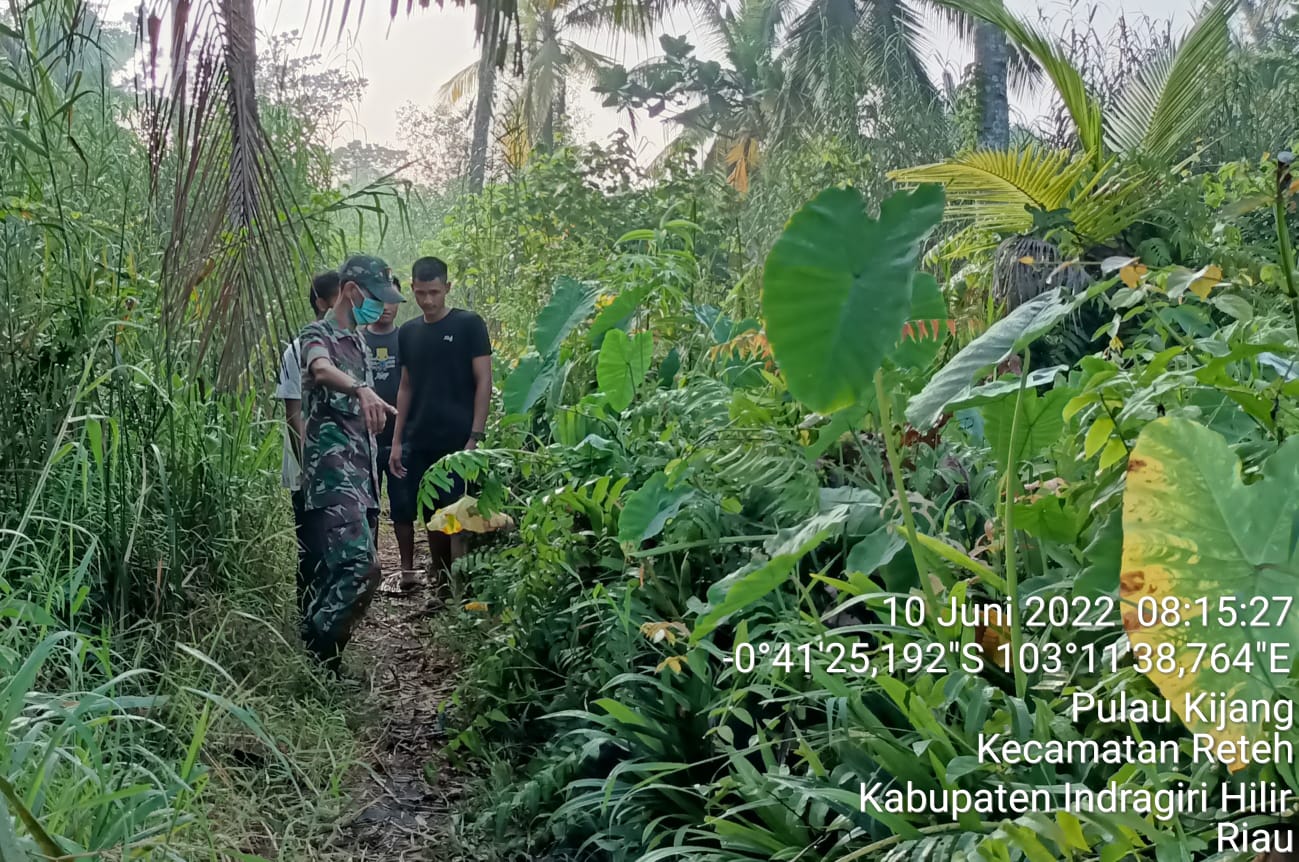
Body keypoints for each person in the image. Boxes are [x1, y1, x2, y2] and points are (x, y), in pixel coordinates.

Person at [297, 254, 403, 674]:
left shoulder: (359, 341)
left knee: (344, 568)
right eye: (374, 297)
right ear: (352, 291)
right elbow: (321, 370)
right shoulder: (316, 333)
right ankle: (319, 649)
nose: (380, 305)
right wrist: (360, 389)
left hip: (361, 472)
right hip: (332, 471)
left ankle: (320, 662)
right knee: (362, 565)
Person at [388, 256, 492, 595]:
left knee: (458, 516)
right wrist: (398, 439)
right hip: (420, 437)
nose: (428, 300)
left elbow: (484, 381)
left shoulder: (469, 325)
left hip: (459, 439)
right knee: (431, 515)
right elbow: (406, 386)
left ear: (447, 288)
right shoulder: (408, 332)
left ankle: (461, 591)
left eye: (434, 292)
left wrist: (474, 438)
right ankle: (442, 584)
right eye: (420, 293)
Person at [275, 271, 340, 621]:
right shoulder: (297, 350)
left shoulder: (348, 345)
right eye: (340, 297)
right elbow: (293, 414)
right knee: (312, 551)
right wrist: (312, 466)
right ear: (322, 303)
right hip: (308, 474)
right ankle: (309, 624)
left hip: (342, 473)